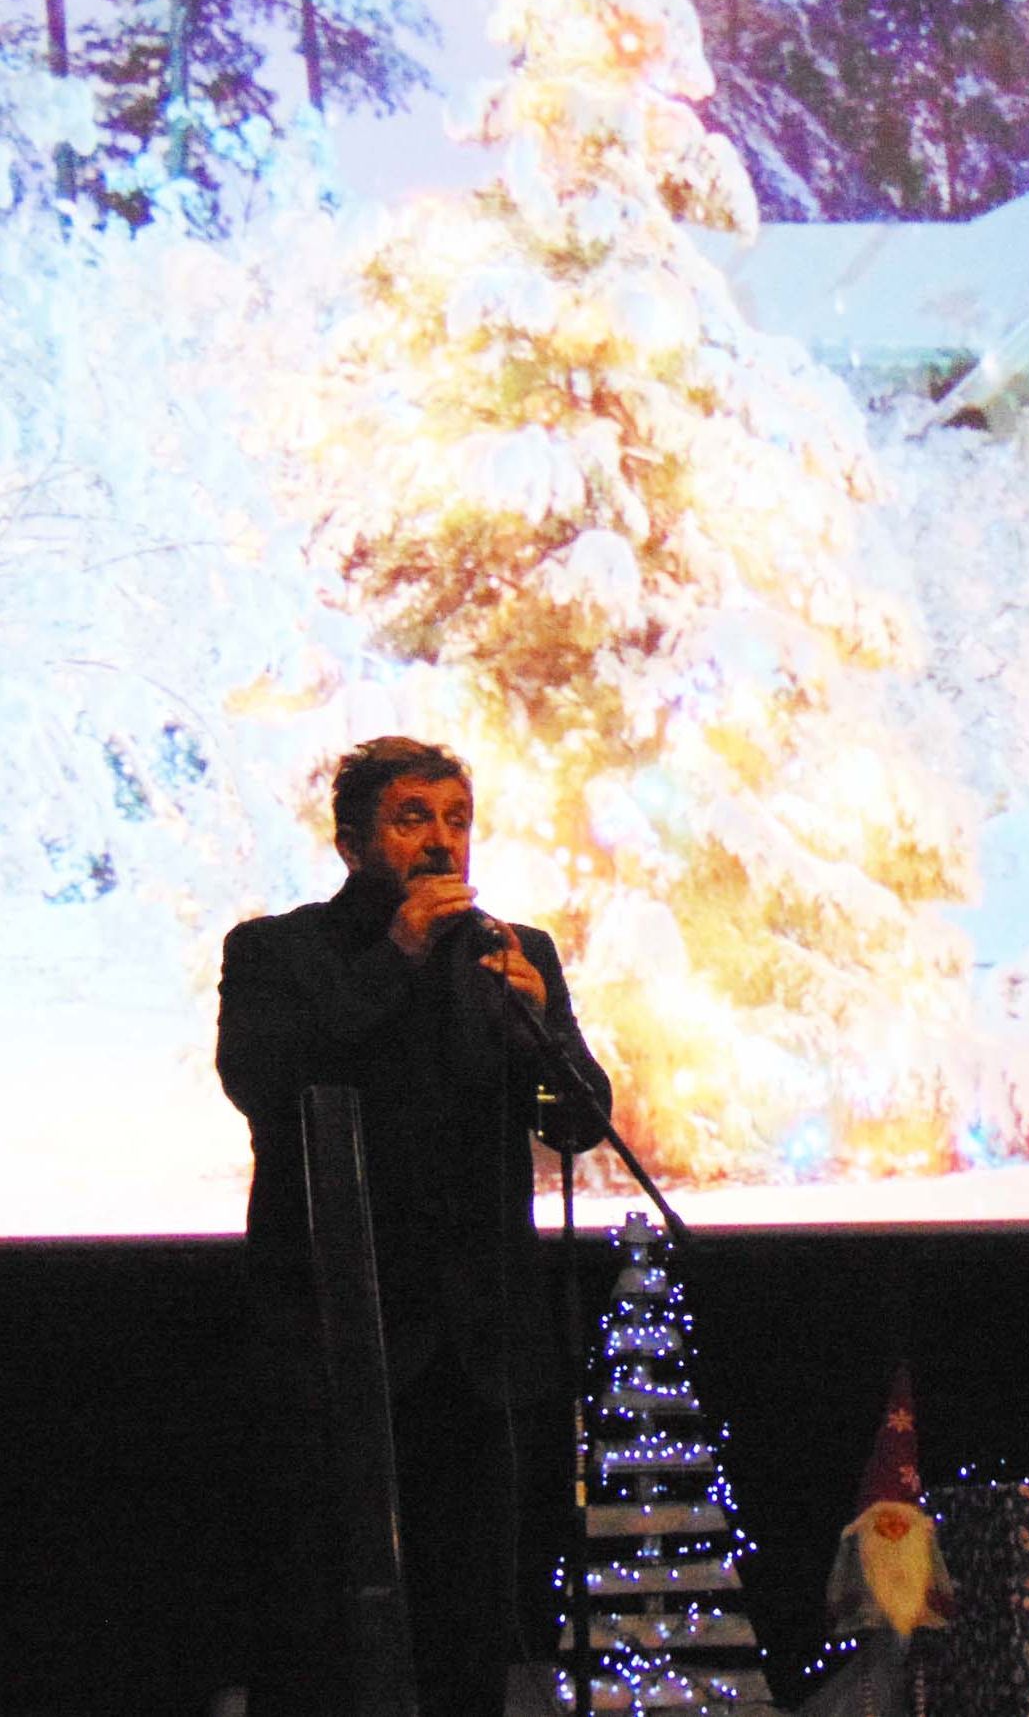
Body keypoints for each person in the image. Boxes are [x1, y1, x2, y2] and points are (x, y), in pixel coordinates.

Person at [216, 735, 613, 1716]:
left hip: (478, 1355)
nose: (442, 841)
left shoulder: (511, 954)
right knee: (321, 1630)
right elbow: (267, 1081)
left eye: (457, 819)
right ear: (353, 842)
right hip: (333, 1348)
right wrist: (396, 958)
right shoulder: (278, 953)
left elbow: (579, 1122)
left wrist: (542, 1033)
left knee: (468, 1628)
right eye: (412, 818)